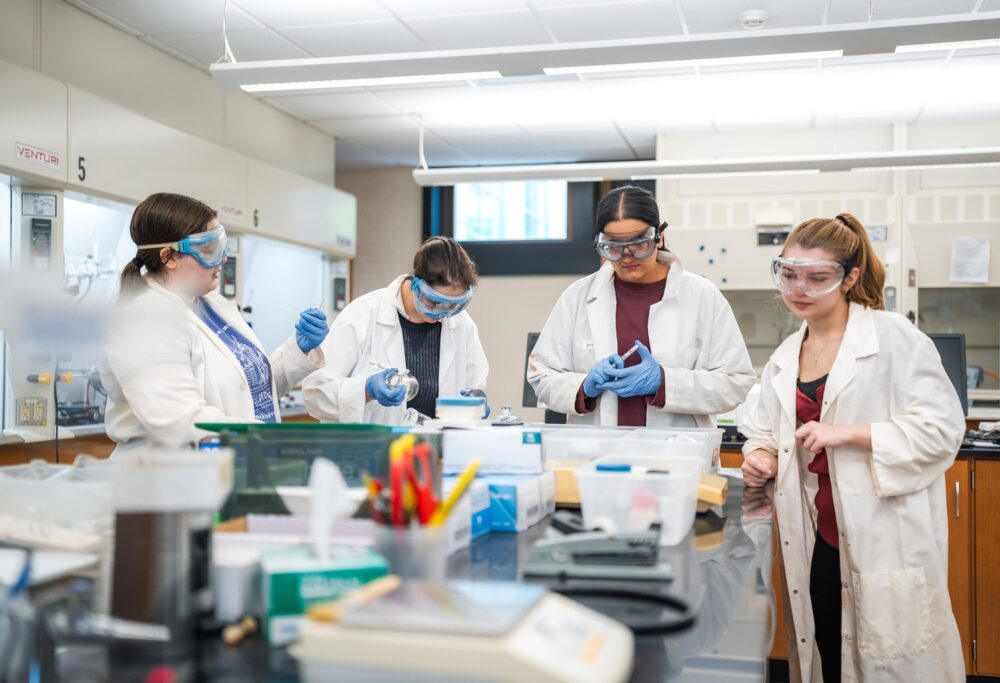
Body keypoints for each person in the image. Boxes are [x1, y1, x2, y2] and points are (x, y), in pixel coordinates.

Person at [739, 213, 966, 682]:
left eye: (817, 278)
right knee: (827, 650)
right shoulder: (785, 355)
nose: (799, 289)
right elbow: (764, 428)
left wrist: (848, 432)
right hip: (816, 537)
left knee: (893, 659)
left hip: (883, 536)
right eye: (789, 275)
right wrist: (761, 456)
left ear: (850, 277)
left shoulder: (892, 338)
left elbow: (943, 429)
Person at [102, 192, 329, 456]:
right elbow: (180, 420)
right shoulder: (144, 320)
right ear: (169, 257)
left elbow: (248, 390)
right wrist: (270, 436)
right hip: (168, 482)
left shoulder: (212, 305)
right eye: (209, 249)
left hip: (227, 470)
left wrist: (297, 350)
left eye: (222, 245)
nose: (222, 259)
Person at [528, 185, 754, 427]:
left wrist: (664, 382)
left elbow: (735, 382)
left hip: (677, 453)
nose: (626, 256)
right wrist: (584, 385)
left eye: (639, 243)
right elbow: (542, 377)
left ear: (659, 238)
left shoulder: (702, 296)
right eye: (613, 246)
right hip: (596, 455)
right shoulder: (577, 297)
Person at [303, 236, 488, 424]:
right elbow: (315, 395)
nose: (443, 313)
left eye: (454, 305)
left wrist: (475, 404)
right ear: (415, 283)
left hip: (433, 450)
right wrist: (366, 390)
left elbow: (474, 386)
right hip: (371, 449)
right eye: (433, 302)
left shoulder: (462, 326)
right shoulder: (361, 315)